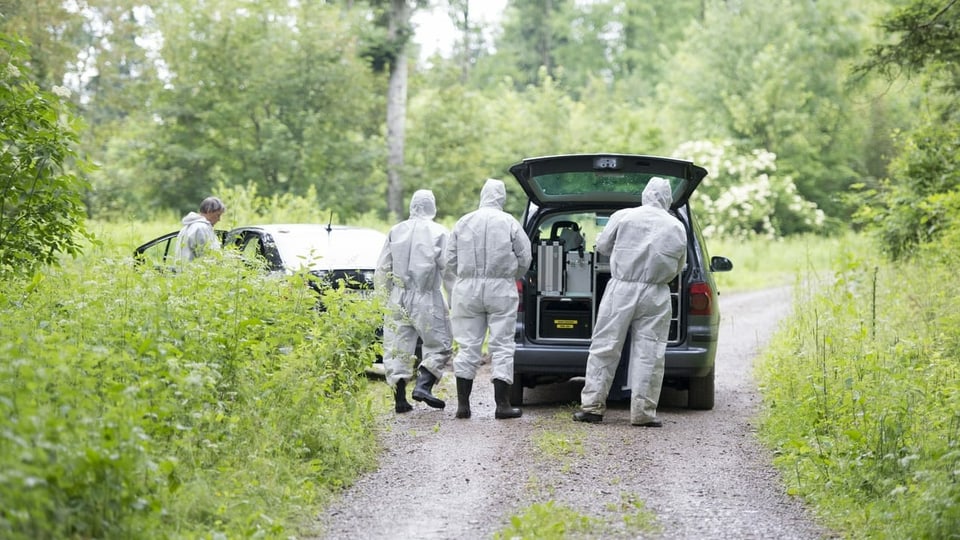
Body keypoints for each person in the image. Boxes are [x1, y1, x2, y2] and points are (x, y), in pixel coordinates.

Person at [573, 177, 687, 427]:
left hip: (621, 288)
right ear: (668, 199)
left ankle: (592, 407)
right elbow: (680, 265)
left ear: (645, 194)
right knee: (651, 353)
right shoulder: (676, 226)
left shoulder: (624, 216)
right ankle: (643, 414)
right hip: (657, 293)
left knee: (605, 346)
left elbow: (602, 246)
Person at [444, 178, 532, 419]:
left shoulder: (464, 221)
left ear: (482, 195)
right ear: (501, 197)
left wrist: (465, 275)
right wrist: (509, 275)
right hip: (501, 288)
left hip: (467, 289)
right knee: (502, 345)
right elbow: (525, 258)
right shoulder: (509, 222)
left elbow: (449, 259)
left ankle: (463, 405)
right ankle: (502, 406)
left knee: (468, 345)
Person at [375, 190, 455, 414]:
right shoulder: (439, 232)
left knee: (396, 347)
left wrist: (384, 300)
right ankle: (423, 385)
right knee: (440, 343)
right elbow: (449, 270)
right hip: (427, 296)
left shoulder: (396, 230)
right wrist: (455, 299)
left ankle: (400, 400)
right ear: (432, 206)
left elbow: (382, 269)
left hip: (397, 296)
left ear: (412, 206)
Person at [175, 196, 226, 262]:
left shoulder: (188, 227)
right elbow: (206, 257)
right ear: (209, 211)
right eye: (218, 215)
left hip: (184, 270)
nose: (219, 219)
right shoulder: (201, 228)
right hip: (195, 270)